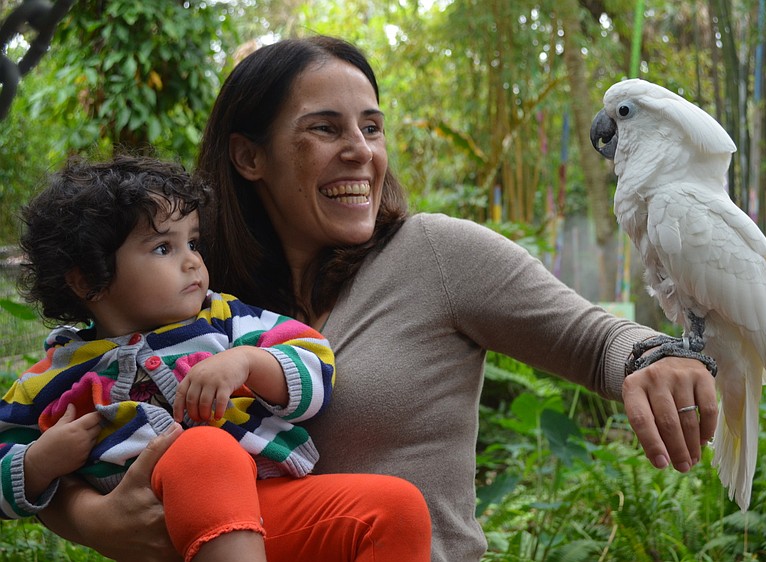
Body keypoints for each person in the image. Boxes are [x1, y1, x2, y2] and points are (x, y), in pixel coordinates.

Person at [38, 37, 718, 562]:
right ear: (250, 158)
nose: (361, 152)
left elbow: (597, 339)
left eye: (371, 127)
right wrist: (86, 517)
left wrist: (655, 359)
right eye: (326, 129)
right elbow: (62, 414)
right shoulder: (185, 291)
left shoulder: (436, 255)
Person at [5, 155, 431, 561]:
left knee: (396, 508)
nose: (192, 261)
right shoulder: (54, 376)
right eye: (162, 248)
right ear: (88, 280)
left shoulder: (225, 320)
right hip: (157, 522)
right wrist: (40, 462)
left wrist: (247, 362)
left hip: (265, 506)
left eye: (192, 242)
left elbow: (316, 361)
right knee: (203, 449)